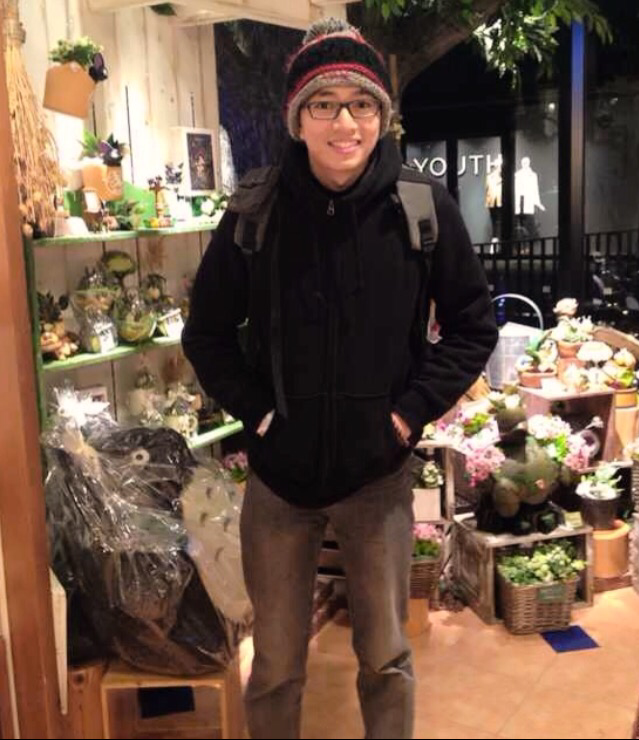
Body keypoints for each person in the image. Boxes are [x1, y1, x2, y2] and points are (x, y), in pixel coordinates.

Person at [182, 18, 498, 740]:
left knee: (386, 657)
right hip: (278, 484)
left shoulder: (421, 207)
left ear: (381, 116)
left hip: (378, 480)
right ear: (298, 120)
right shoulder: (255, 212)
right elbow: (206, 334)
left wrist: (408, 413)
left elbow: (473, 326)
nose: (344, 122)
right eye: (323, 104)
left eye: (360, 103)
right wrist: (260, 414)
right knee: (275, 665)